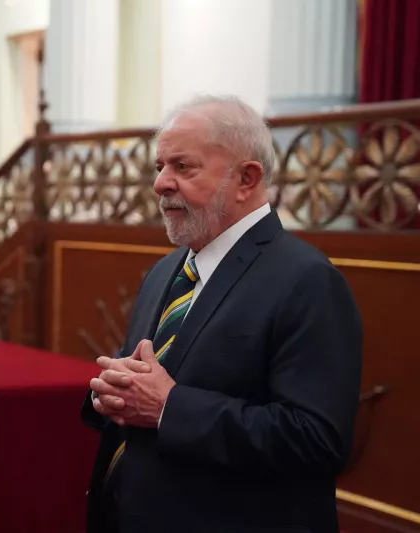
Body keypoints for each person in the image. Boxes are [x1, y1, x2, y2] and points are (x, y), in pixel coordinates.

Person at [82, 95, 362, 533]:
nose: (161, 183)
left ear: (246, 178)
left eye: (183, 167)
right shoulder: (166, 271)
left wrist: (169, 407)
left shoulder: (307, 280)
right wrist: (111, 392)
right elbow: (146, 382)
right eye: (159, 167)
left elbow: (316, 440)